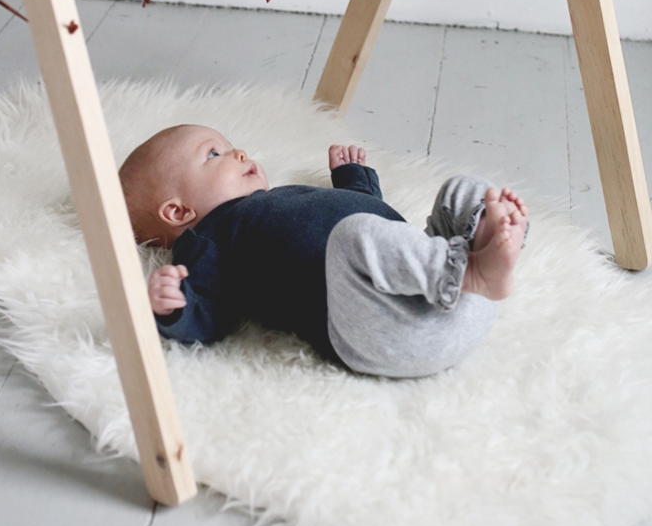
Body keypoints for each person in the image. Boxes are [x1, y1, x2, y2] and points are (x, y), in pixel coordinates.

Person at [119, 124, 528, 378]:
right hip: (388, 330)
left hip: (440, 298)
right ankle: (472, 270)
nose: (239, 152)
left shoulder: (279, 199)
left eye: (230, 145)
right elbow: (211, 311)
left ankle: (486, 250)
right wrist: (175, 308)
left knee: (461, 188)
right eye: (214, 154)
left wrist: (351, 179)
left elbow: (362, 208)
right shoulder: (209, 238)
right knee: (355, 236)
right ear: (178, 211)